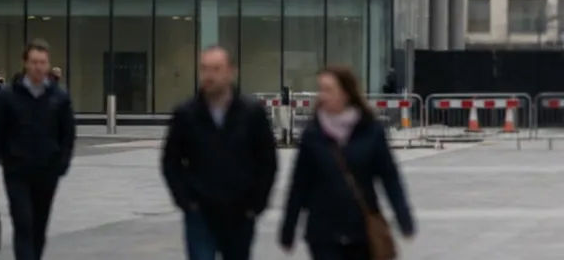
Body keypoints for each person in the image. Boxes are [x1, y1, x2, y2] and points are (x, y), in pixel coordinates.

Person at [280, 66, 416, 259]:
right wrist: (288, 228)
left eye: (329, 90)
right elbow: (299, 185)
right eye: (321, 89)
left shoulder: (370, 130)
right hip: (323, 233)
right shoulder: (312, 134)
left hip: (361, 230)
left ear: (345, 93)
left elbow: (389, 177)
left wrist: (403, 217)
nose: (323, 96)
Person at [162, 46, 278, 260]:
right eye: (205, 69)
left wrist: (255, 204)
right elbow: (171, 162)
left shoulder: (251, 113)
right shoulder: (186, 114)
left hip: (240, 212)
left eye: (216, 69)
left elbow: (267, 161)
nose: (209, 76)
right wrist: (186, 202)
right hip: (200, 213)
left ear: (231, 72)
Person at [0, 40, 76, 260]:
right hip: (17, 171)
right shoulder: (8, 96)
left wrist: (61, 164)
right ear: (25, 63)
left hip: (47, 171)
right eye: (34, 62)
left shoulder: (59, 98)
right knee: (23, 224)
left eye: (42, 62)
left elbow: (68, 134)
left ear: (48, 64)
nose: (38, 67)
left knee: (39, 227)